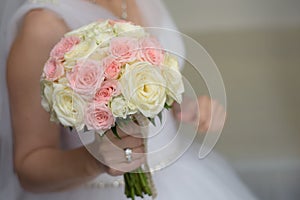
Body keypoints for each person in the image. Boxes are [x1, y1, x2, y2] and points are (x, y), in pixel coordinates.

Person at [0, 0, 257, 199]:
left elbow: (142, 81)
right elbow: (28, 166)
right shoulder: (42, 26)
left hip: (178, 174)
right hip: (98, 190)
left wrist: (183, 106)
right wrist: (94, 161)